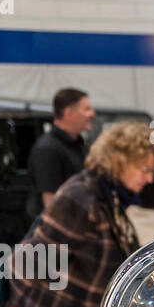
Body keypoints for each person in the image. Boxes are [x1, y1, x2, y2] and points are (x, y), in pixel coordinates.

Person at [9, 120, 154, 307]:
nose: (149, 179)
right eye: (145, 170)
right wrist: (12, 301)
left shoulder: (109, 195)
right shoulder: (80, 199)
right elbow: (26, 263)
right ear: (119, 160)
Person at [26, 87, 95, 221]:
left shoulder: (78, 145)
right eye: (87, 109)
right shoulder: (47, 149)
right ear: (69, 113)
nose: (92, 114)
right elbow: (51, 205)